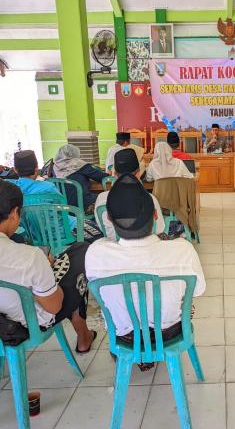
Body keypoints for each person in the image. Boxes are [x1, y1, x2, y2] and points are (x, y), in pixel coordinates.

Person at [85, 174, 206, 368]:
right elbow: (198, 290)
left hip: (124, 336)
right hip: (170, 331)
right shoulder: (182, 249)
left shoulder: (95, 252)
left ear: (108, 218)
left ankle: (134, 353)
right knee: (185, 300)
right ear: (156, 215)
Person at [0, 180, 96, 353]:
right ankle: (84, 337)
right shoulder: (28, 257)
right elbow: (54, 307)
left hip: (3, 318)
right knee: (79, 258)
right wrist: (47, 272)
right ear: (14, 213)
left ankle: (84, 336)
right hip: (24, 325)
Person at [94, 148, 165, 240]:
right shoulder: (149, 198)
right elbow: (159, 229)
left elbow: (101, 227)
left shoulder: (101, 198)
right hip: (145, 250)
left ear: (115, 174)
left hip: (114, 246)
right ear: (139, 173)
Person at [53, 144, 109, 214]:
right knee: (108, 197)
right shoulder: (78, 164)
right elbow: (102, 177)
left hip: (62, 208)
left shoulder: (54, 167)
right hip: (82, 206)